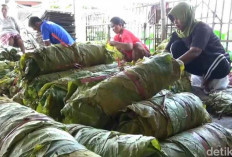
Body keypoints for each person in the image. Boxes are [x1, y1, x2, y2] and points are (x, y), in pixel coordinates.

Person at [165, 2, 231, 93]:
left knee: (219, 63)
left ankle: (209, 81)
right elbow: (166, 51)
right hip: (201, 68)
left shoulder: (201, 28)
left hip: (217, 65)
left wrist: (175, 65)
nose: (175, 21)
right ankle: (204, 80)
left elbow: (195, 51)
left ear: (186, 16)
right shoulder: (178, 33)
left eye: (178, 18)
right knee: (176, 46)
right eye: (173, 19)